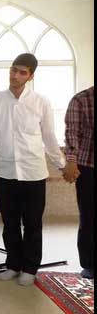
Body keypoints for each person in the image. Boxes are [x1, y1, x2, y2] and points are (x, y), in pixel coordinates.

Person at [0, 53, 66, 286]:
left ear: (30, 76)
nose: (15, 75)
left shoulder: (41, 102)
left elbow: (49, 138)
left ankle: (30, 268)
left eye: (22, 72)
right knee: (9, 224)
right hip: (4, 173)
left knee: (32, 224)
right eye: (13, 70)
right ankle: (13, 264)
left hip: (33, 174)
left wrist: (62, 165)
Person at [63, 86, 94, 279]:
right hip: (89, 167)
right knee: (89, 217)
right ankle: (90, 264)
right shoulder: (81, 100)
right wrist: (71, 161)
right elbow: (72, 133)